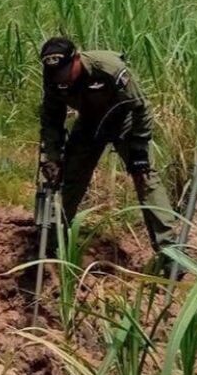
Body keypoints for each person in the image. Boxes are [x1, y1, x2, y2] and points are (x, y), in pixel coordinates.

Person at [39, 37, 178, 268]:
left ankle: (170, 252)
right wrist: (52, 156)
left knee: (145, 179)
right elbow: (51, 118)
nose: (61, 78)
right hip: (89, 123)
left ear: (76, 58)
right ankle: (53, 243)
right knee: (69, 178)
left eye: (65, 71)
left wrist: (139, 146)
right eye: (56, 74)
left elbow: (141, 106)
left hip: (124, 119)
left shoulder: (108, 68)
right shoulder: (52, 78)